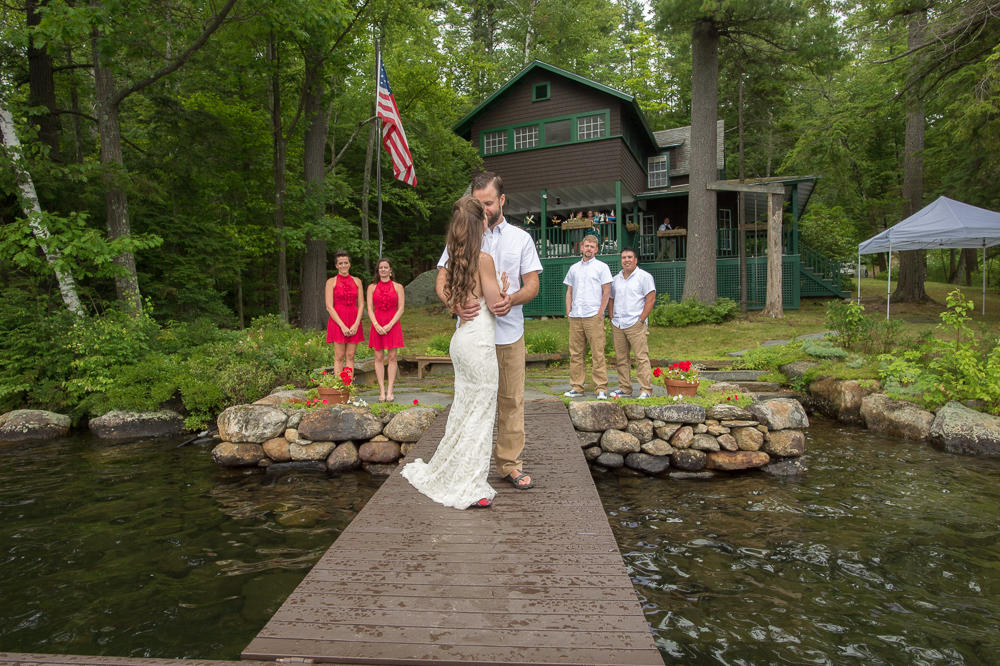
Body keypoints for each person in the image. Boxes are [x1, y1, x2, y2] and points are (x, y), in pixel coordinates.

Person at [435, 172, 542, 490]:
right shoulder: (465, 235)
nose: (483, 209)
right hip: (473, 334)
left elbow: (533, 284)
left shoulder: (520, 239)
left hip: (508, 334)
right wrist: (452, 303)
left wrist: (513, 298)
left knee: (511, 402)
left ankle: (509, 465)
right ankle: (468, 466)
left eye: (489, 203)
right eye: (479, 203)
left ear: (502, 200)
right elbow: (441, 280)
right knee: (471, 403)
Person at [402, 197, 505, 510]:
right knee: (481, 412)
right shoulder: (482, 259)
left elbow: (443, 288)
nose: (488, 221)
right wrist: (502, 285)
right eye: (485, 217)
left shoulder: (453, 261)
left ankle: (452, 473)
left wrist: (452, 303)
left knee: (464, 410)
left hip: (461, 339)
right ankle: (469, 484)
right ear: (478, 225)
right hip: (479, 342)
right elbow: (496, 303)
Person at [563, 234, 612, 400]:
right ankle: (577, 386)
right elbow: (569, 292)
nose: (589, 249)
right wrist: (568, 312)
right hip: (576, 316)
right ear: (581, 247)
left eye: (592, 246)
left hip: (593, 316)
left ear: (596, 249)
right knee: (576, 353)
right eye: (586, 246)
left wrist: (600, 313)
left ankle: (601, 388)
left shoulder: (602, 267)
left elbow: (607, 291)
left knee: (597, 353)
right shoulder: (573, 269)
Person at [609, 247, 657, 399]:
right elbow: (611, 299)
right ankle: (625, 388)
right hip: (618, 324)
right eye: (623, 257)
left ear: (635, 260)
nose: (626, 260)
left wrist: (641, 319)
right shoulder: (616, 279)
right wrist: (611, 318)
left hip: (635, 323)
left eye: (630, 257)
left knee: (641, 357)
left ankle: (645, 390)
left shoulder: (644, 277)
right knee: (621, 359)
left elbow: (651, 299)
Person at [366, 257, 405, 402]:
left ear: (390, 270)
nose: (383, 270)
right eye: (380, 267)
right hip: (377, 324)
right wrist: (376, 324)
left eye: (385, 267)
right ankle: (381, 391)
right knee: (379, 357)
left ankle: (390, 391)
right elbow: (369, 308)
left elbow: (401, 308)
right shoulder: (371, 287)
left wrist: (390, 325)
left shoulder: (398, 287)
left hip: (393, 324)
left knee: (392, 357)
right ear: (378, 270)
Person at [325, 249, 365, 374]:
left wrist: (356, 324)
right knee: (339, 356)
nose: (343, 266)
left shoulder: (357, 281)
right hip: (338, 321)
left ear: (349, 264)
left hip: (354, 319)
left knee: (351, 356)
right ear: (336, 265)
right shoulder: (331, 282)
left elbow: (362, 304)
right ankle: (339, 389)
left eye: (346, 263)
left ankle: (347, 389)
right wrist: (342, 325)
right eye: (341, 263)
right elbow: (329, 306)